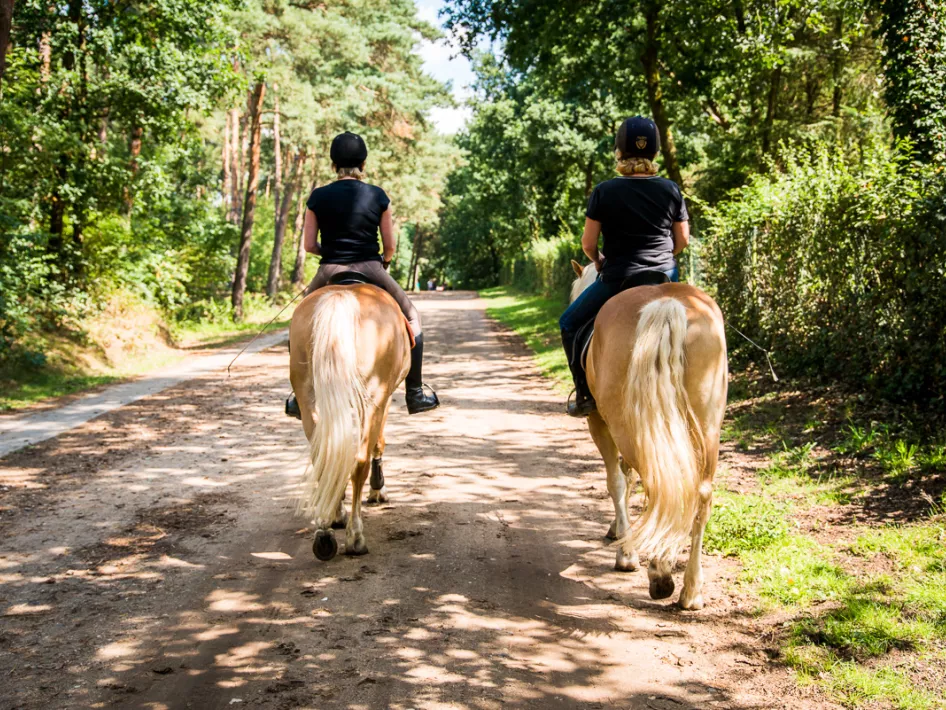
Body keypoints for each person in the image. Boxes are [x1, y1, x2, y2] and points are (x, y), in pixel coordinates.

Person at [285, 131, 440, 418]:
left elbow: (309, 245)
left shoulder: (318, 197)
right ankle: (415, 392)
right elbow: (389, 246)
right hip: (370, 266)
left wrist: (331, 252)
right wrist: (384, 261)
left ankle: (299, 395)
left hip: (330, 268)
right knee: (412, 317)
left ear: (334, 165)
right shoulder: (378, 195)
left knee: (298, 320)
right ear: (363, 164)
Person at [559, 116, 690, 418]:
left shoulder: (604, 191)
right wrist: (666, 257)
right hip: (664, 275)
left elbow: (588, 244)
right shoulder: (671, 189)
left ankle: (584, 394)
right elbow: (682, 239)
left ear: (619, 152)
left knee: (568, 323)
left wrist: (598, 261)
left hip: (619, 277)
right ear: (655, 152)